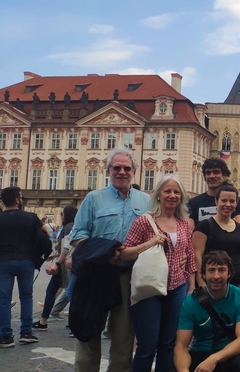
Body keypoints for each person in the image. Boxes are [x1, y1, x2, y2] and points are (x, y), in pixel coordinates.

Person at [69, 146, 151, 371]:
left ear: (134, 170)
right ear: (108, 170)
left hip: (128, 276)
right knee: (88, 333)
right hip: (95, 275)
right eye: (117, 168)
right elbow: (78, 236)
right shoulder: (93, 199)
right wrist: (107, 252)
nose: (121, 172)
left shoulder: (146, 202)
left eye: (126, 168)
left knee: (124, 336)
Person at [120, 174, 197, 372]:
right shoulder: (144, 221)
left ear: (181, 196)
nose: (172, 195)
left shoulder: (184, 223)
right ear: (158, 195)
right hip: (150, 288)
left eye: (176, 192)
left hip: (177, 288)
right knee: (147, 346)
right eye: (168, 191)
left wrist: (191, 286)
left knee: (169, 344)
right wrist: (150, 243)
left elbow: (189, 256)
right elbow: (124, 253)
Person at [174, 251, 240, 372]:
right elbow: (181, 347)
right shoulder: (190, 302)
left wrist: (214, 359)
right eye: (211, 270)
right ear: (203, 274)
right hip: (200, 352)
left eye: (221, 270)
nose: (216, 276)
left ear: (229, 273)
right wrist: (183, 369)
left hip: (228, 354)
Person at [0, 187, 42, 348]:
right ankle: (26, 332)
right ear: (17, 200)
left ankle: (5, 336)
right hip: (26, 261)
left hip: (3, 261)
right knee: (26, 297)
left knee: (3, 299)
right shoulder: (30, 217)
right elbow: (44, 233)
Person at [193, 180, 240, 289]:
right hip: (212, 286)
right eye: (224, 200)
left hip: (237, 285)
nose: (228, 205)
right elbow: (197, 257)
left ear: (236, 203)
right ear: (216, 201)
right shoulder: (204, 226)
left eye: (232, 201)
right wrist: (202, 286)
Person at [34, 205, 78, 331]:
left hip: (66, 266)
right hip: (63, 265)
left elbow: (67, 249)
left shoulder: (68, 227)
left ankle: (71, 323)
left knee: (70, 294)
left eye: (62, 214)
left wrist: (57, 262)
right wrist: (56, 255)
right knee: (55, 291)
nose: (61, 216)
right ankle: (44, 321)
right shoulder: (71, 226)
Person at [187, 158, 240, 225]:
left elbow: (238, 228)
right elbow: (190, 230)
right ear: (205, 177)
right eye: (208, 173)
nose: (212, 176)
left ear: (224, 175)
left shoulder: (237, 202)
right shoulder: (193, 203)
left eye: (216, 172)